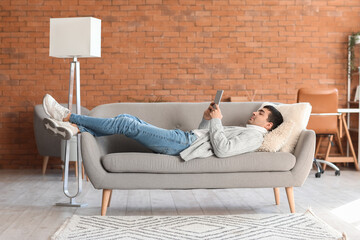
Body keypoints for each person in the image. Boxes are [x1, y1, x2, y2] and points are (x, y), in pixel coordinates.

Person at [42, 94, 283, 161]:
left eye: (260, 113)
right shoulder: (249, 130)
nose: (254, 113)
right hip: (185, 137)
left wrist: (218, 120)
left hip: (182, 145)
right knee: (128, 117)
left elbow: (222, 149)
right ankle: (78, 129)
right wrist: (207, 118)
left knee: (126, 123)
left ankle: (68, 116)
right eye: (257, 110)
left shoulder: (255, 138)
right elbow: (207, 135)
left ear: (268, 124)